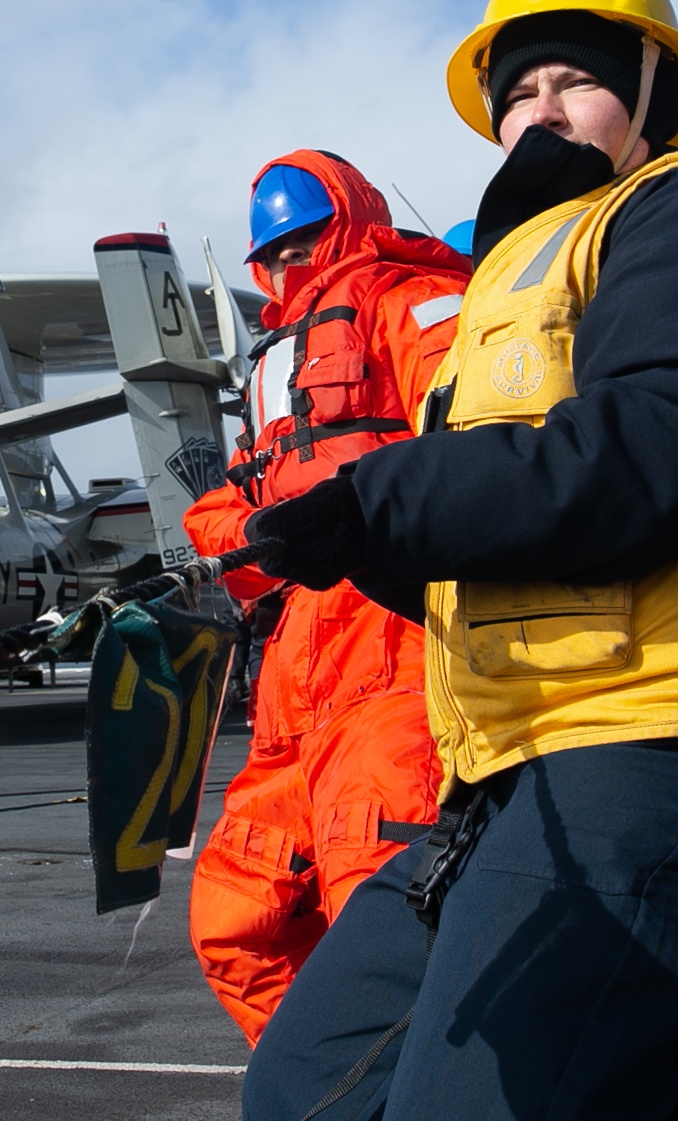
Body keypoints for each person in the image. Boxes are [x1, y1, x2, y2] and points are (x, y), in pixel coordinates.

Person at [241, 0, 678, 1120]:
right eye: (516, 92)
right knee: (303, 1088)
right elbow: (486, 550)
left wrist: (380, 499)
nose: (540, 113)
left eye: (571, 80)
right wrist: (341, 547)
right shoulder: (499, 297)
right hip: (501, 763)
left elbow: (649, 452)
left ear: (648, 94)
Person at [183, 149, 471, 1047]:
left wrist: (356, 513)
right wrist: (248, 535)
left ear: (345, 223)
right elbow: (231, 504)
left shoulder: (409, 303)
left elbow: (485, 439)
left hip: (394, 652)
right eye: (267, 257)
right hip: (293, 678)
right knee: (236, 920)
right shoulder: (276, 367)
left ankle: (442, 1093)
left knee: (382, 912)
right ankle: (334, 1088)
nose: (282, 268)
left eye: (300, 243)